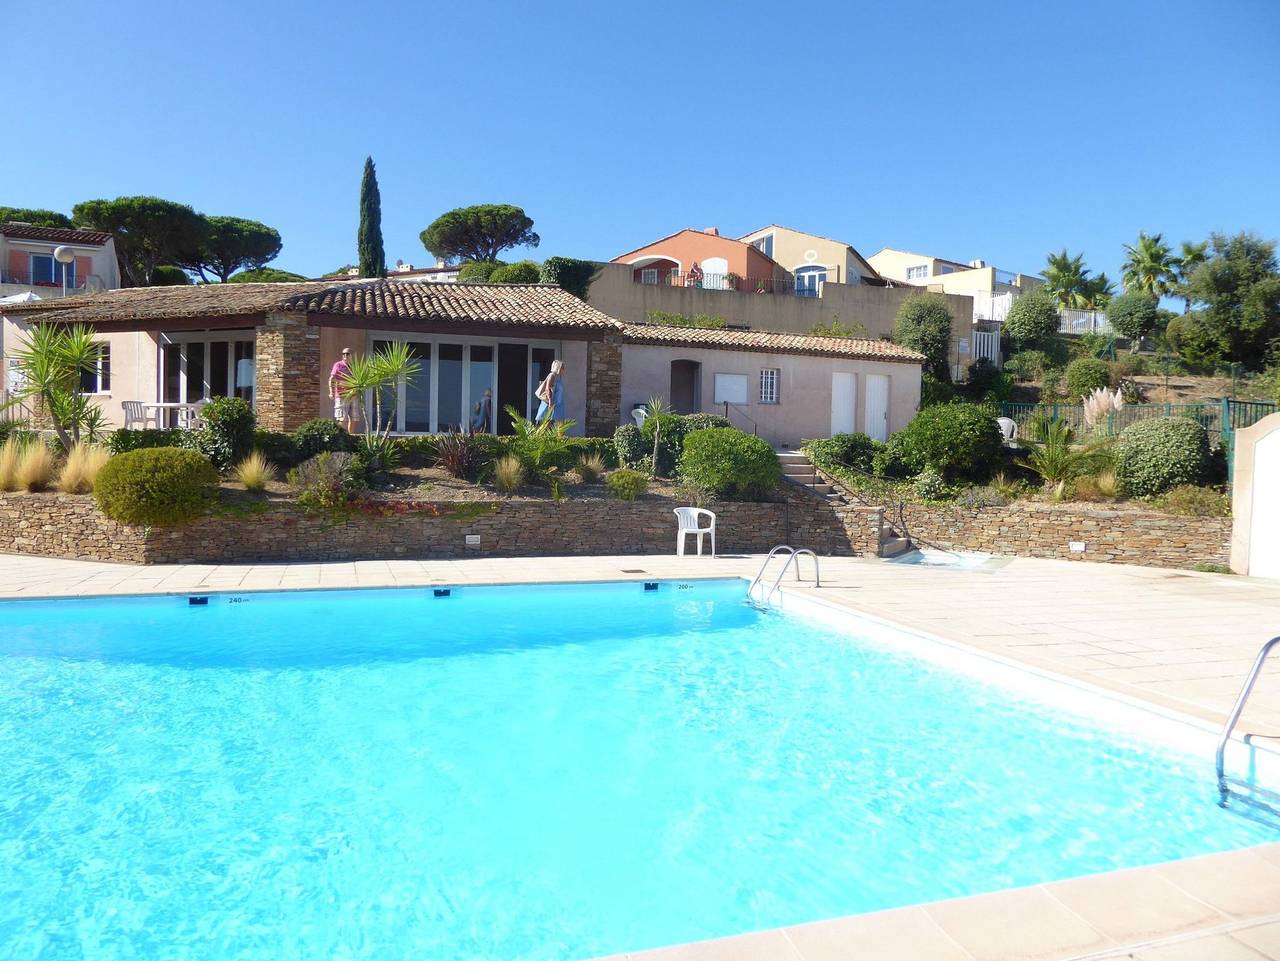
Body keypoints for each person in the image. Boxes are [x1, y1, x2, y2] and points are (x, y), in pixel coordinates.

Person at [329, 347, 358, 433]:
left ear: (352, 355)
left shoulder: (355, 366)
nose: (345, 355)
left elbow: (358, 381)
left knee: (354, 418)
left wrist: (357, 391)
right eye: (343, 354)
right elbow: (332, 379)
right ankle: (341, 437)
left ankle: (350, 437)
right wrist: (331, 392)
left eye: (347, 354)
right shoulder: (338, 365)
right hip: (341, 395)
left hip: (353, 395)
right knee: (342, 418)